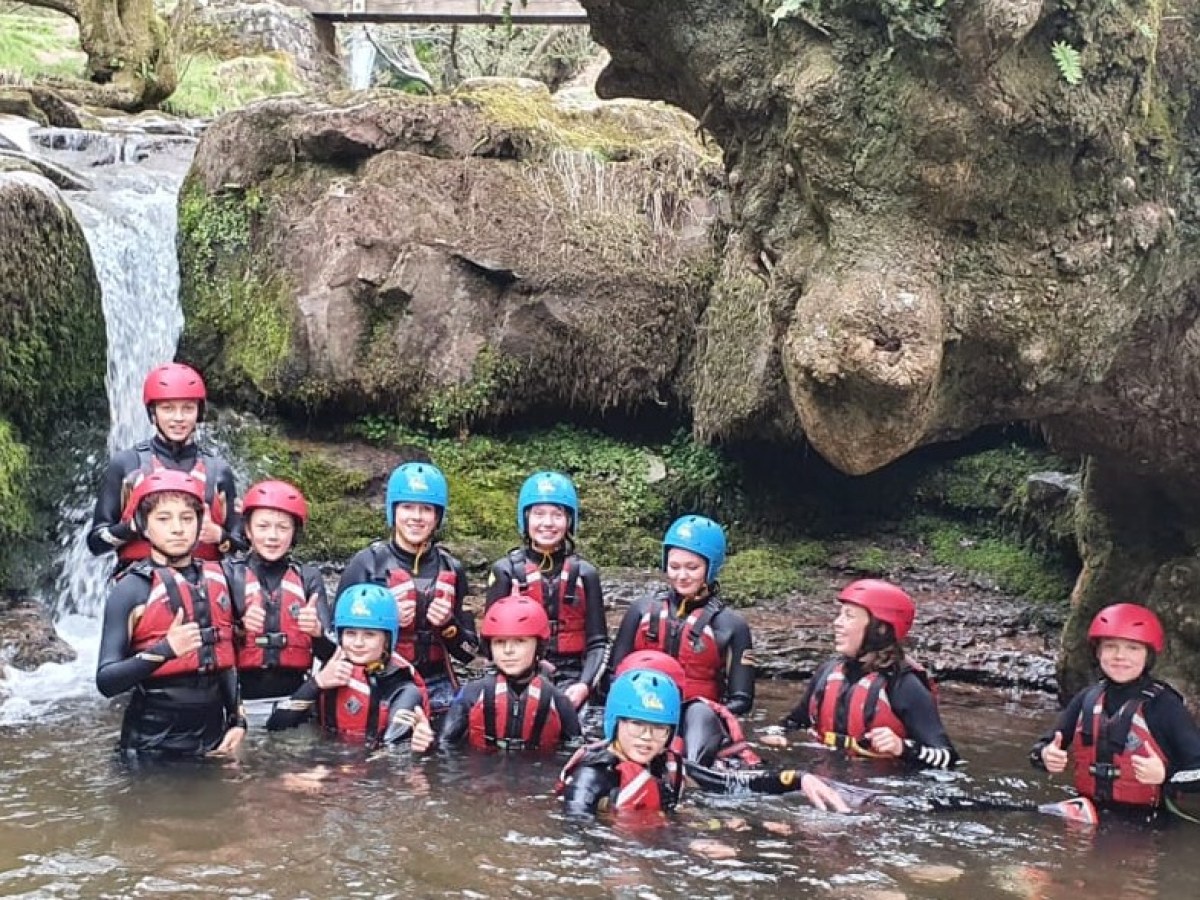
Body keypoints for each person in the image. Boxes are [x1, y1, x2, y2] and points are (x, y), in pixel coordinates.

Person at [95, 469, 245, 758]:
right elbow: (106, 682)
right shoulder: (131, 589)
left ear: (199, 524)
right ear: (144, 525)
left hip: (214, 740)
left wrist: (238, 721)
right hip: (152, 744)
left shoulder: (221, 577)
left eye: (187, 518)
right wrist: (165, 650)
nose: (178, 528)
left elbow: (225, 659)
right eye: (164, 519)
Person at [614, 650, 850, 811]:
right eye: (636, 722)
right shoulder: (602, 768)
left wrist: (798, 778)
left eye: (657, 726)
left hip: (733, 770)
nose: (646, 733)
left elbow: (713, 778)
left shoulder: (695, 718)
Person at [1030, 602, 1200, 817]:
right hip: (1087, 814)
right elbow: (1039, 750)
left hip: (1149, 821)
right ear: (1098, 652)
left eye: (1133, 648)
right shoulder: (1086, 698)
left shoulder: (1165, 706)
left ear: (1148, 656)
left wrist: (1166, 774)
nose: (1120, 656)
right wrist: (1046, 755)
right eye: (1110, 646)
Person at [336, 462, 477, 714]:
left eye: (426, 509)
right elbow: (334, 637)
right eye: (407, 507)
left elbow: (470, 652)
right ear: (393, 511)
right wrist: (386, 622)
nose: (416, 517)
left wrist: (449, 625)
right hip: (381, 680)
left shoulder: (452, 568)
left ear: (437, 516)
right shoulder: (367, 564)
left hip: (438, 684)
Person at [778, 579, 960, 769]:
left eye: (849, 616)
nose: (837, 623)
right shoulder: (828, 672)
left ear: (880, 628)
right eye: (840, 614)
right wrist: (775, 734)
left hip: (885, 782)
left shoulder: (904, 684)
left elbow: (948, 757)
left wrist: (903, 748)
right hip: (828, 774)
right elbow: (793, 722)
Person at [88, 363, 240, 570]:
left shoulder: (217, 471)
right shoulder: (126, 464)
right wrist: (133, 527)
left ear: (199, 413)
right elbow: (96, 543)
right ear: (153, 413)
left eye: (188, 408)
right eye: (168, 408)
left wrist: (219, 535)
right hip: (140, 580)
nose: (178, 418)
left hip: (205, 582)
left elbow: (244, 546)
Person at [608, 515, 754, 714]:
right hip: (641, 713)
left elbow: (741, 700)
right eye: (674, 567)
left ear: (711, 567)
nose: (682, 576)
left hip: (699, 718)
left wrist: (699, 714)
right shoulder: (641, 610)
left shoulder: (732, 625)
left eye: (692, 568)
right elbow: (613, 676)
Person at [485, 472, 607, 709]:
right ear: (526, 518)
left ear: (569, 520)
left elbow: (598, 643)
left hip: (573, 674)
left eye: (557, 515)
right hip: (519, 673)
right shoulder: (506, 571)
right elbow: (488, 644)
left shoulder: (586, 574)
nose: (548, 523)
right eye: (539, 514)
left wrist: (584, 685)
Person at [266, 583, 432, 749]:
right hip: (328, 754)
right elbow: (275, 726)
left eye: (369, 634)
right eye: (351, 633)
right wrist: (316, 683)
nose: (358, 643)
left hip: (366, 761)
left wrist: (421, 743)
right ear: (340, 636)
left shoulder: (403, 687)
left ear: (387, 640)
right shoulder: (331, 670)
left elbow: (391, 751)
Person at [415, 594, 581, 753]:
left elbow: (578, 754)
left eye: (520, 641)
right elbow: (444, 747)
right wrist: (426, 743)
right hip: (482, 770)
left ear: (539, 646)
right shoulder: (471, 695)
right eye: (500, 642)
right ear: (490, 647)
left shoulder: (558, 701)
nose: (508, 650)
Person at [224, 480, 333, 716]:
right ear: (248, 530)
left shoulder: (308, 577)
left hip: (295, 702)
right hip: (241, 702)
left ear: (294, 533)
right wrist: (240, 627)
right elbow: (210, 649)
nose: (272, 536)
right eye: (263, 526)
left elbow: (332, 655)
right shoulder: (229, 574)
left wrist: (317, 632)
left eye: (283, 528)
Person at [558, 668, 685, 818]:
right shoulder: (591, 776)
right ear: (615, 723)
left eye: (659, 728)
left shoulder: (666, 768)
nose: (647, 736)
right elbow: (575, 823)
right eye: (637, 724)